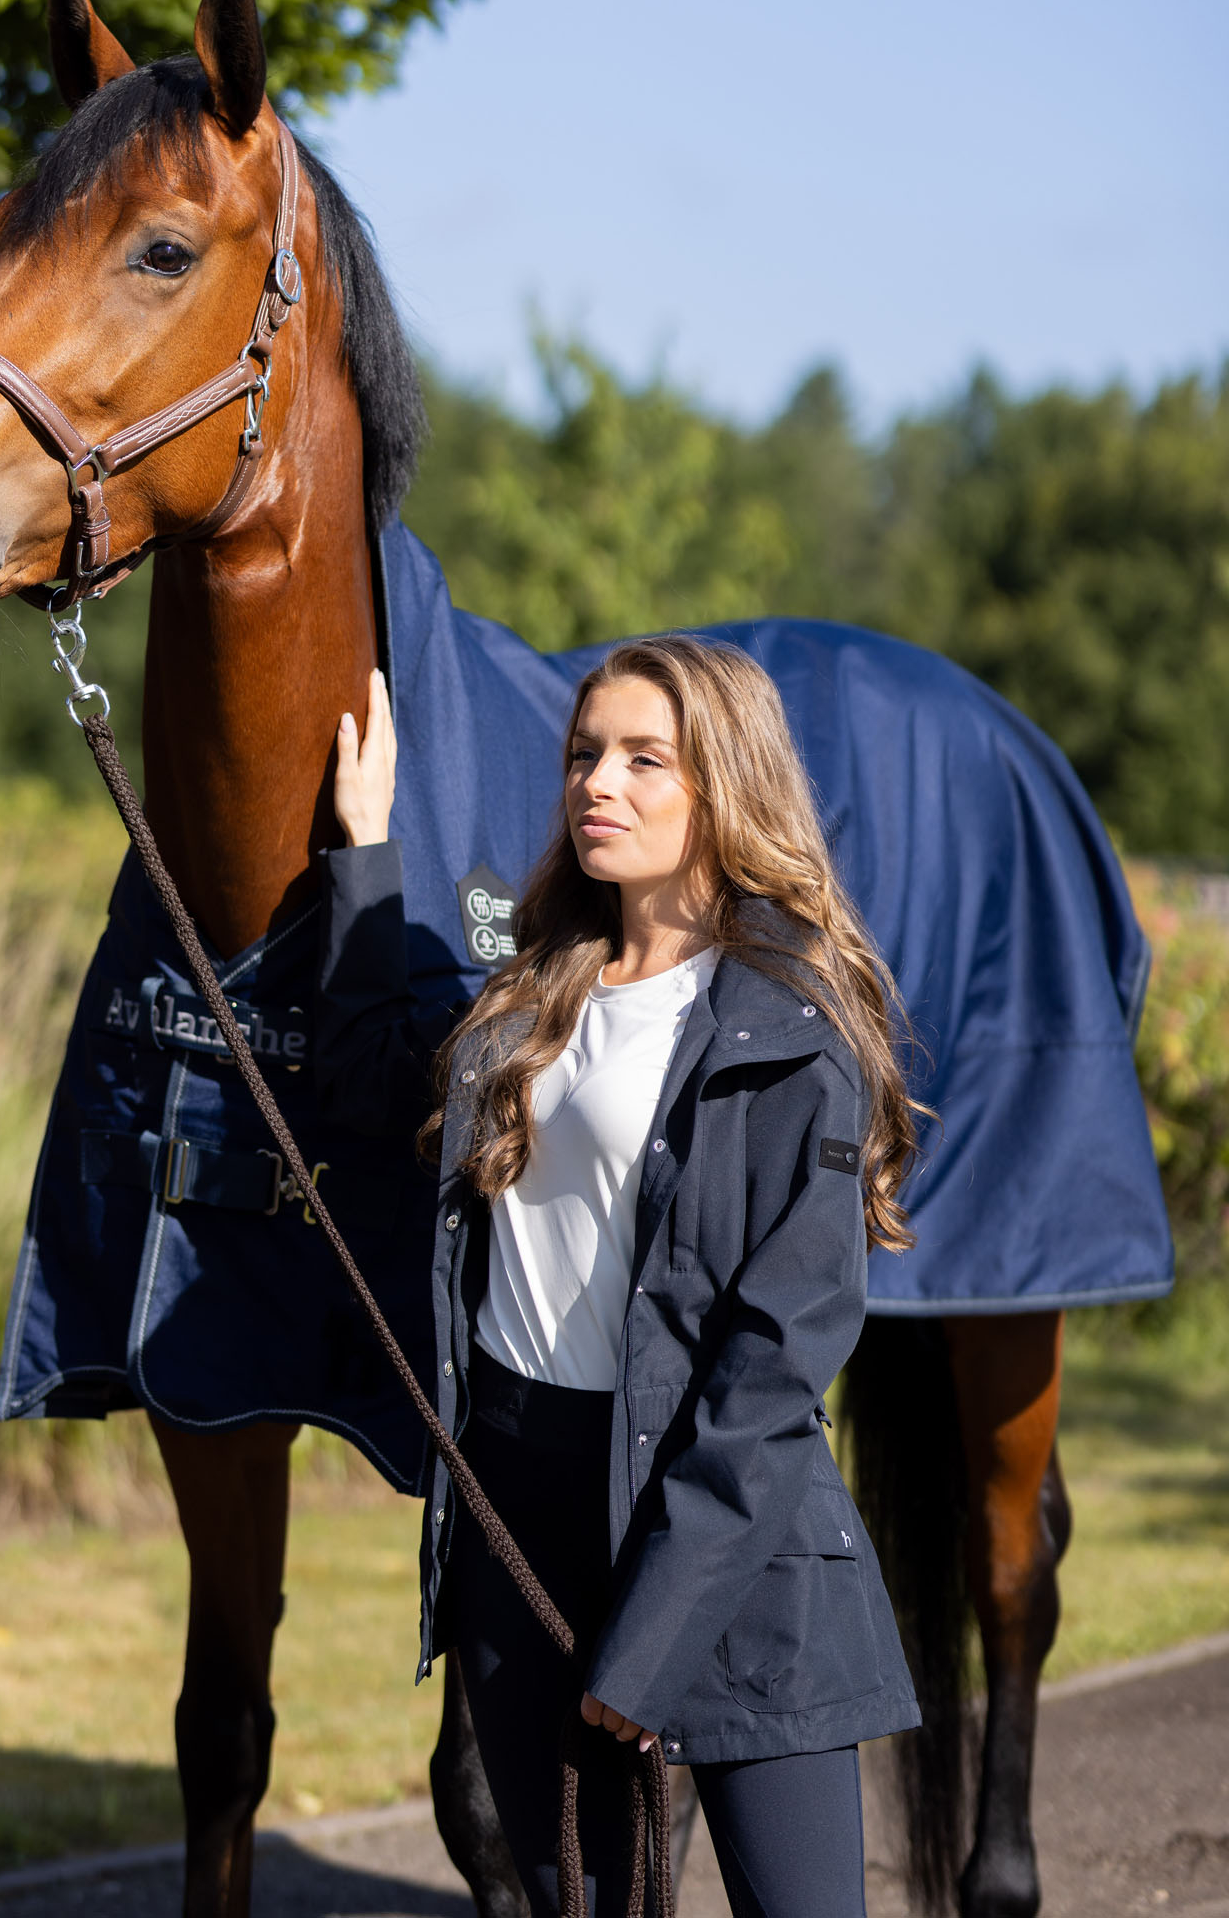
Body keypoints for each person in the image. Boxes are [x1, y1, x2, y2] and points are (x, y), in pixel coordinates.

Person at [316, 636, 922, 1918]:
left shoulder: (788, 1032)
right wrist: (363, 853)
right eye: (586, 753)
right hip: (521, 1514)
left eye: (646, 758)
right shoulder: (533, 990)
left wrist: (647, 1644)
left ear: (725, 787)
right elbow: (368, 1079)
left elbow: (769, 1373)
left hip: (730, 1545)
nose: (599, 781)